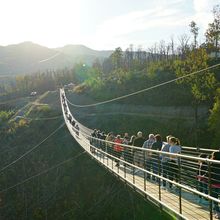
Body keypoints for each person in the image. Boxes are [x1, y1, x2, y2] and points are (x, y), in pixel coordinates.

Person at [209, 151, 220, 219]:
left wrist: (203, 176)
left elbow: (208, 173)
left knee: (214, 198)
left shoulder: (212, 163)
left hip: (213, 183)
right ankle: (216, 212)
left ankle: (217, 212)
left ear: (214, 156)